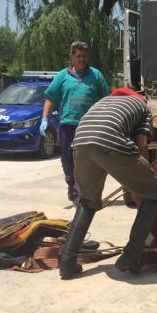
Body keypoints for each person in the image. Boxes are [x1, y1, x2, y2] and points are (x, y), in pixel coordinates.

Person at [58, 88, 157, 280]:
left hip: (80, 143)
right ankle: (131, 257)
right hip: (108, 141)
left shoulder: (103, 102)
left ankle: (66, 262)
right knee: (155, 192)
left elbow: (98, 136)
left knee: (87, 202)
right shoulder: (142, 106)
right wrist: (146, 176)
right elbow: (141, 144)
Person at [40, 41, 109, 202]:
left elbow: (106, 99)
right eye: (78, 56)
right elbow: (50, 98)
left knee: (87, 160)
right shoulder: (62, 76)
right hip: (68, 126)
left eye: (85, 56)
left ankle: (81, 191)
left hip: (90, 125)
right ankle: (72, 185)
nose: (82, 59)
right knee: (67, 160)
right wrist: (44, 118)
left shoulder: (96, 75)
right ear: (72, 57)